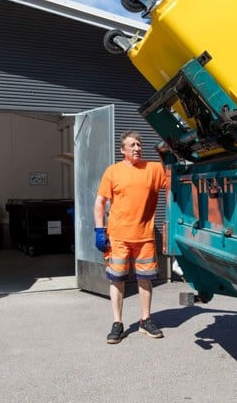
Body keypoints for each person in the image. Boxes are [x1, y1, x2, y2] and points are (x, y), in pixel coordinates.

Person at [94, 129, 167, 344]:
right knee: (116, 280)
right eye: (132, 145)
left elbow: (175, 178)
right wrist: (99, 230)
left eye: (139, 144)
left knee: (145, 280)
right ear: (122, 150)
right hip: (118, 237)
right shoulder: (113, 171)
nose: (137, 148)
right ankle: (118, 323)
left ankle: (146, 320)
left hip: (144, 236)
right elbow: (100, 202)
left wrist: (166, 154)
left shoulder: (153, 169)